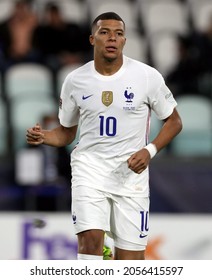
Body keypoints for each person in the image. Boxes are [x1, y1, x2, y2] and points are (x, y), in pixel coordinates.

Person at [26, 12, 182, 260]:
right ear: (92, 39)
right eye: (105, 32)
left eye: (119, 34)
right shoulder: (75, 80)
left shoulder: (146, 76)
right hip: (89, 170)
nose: (112, 38)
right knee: (90, 244)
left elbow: (174, 122)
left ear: (124, 41)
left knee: (130, 264)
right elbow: (67, 133)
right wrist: (44, 136)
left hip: (131, 177)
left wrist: (149, 151)